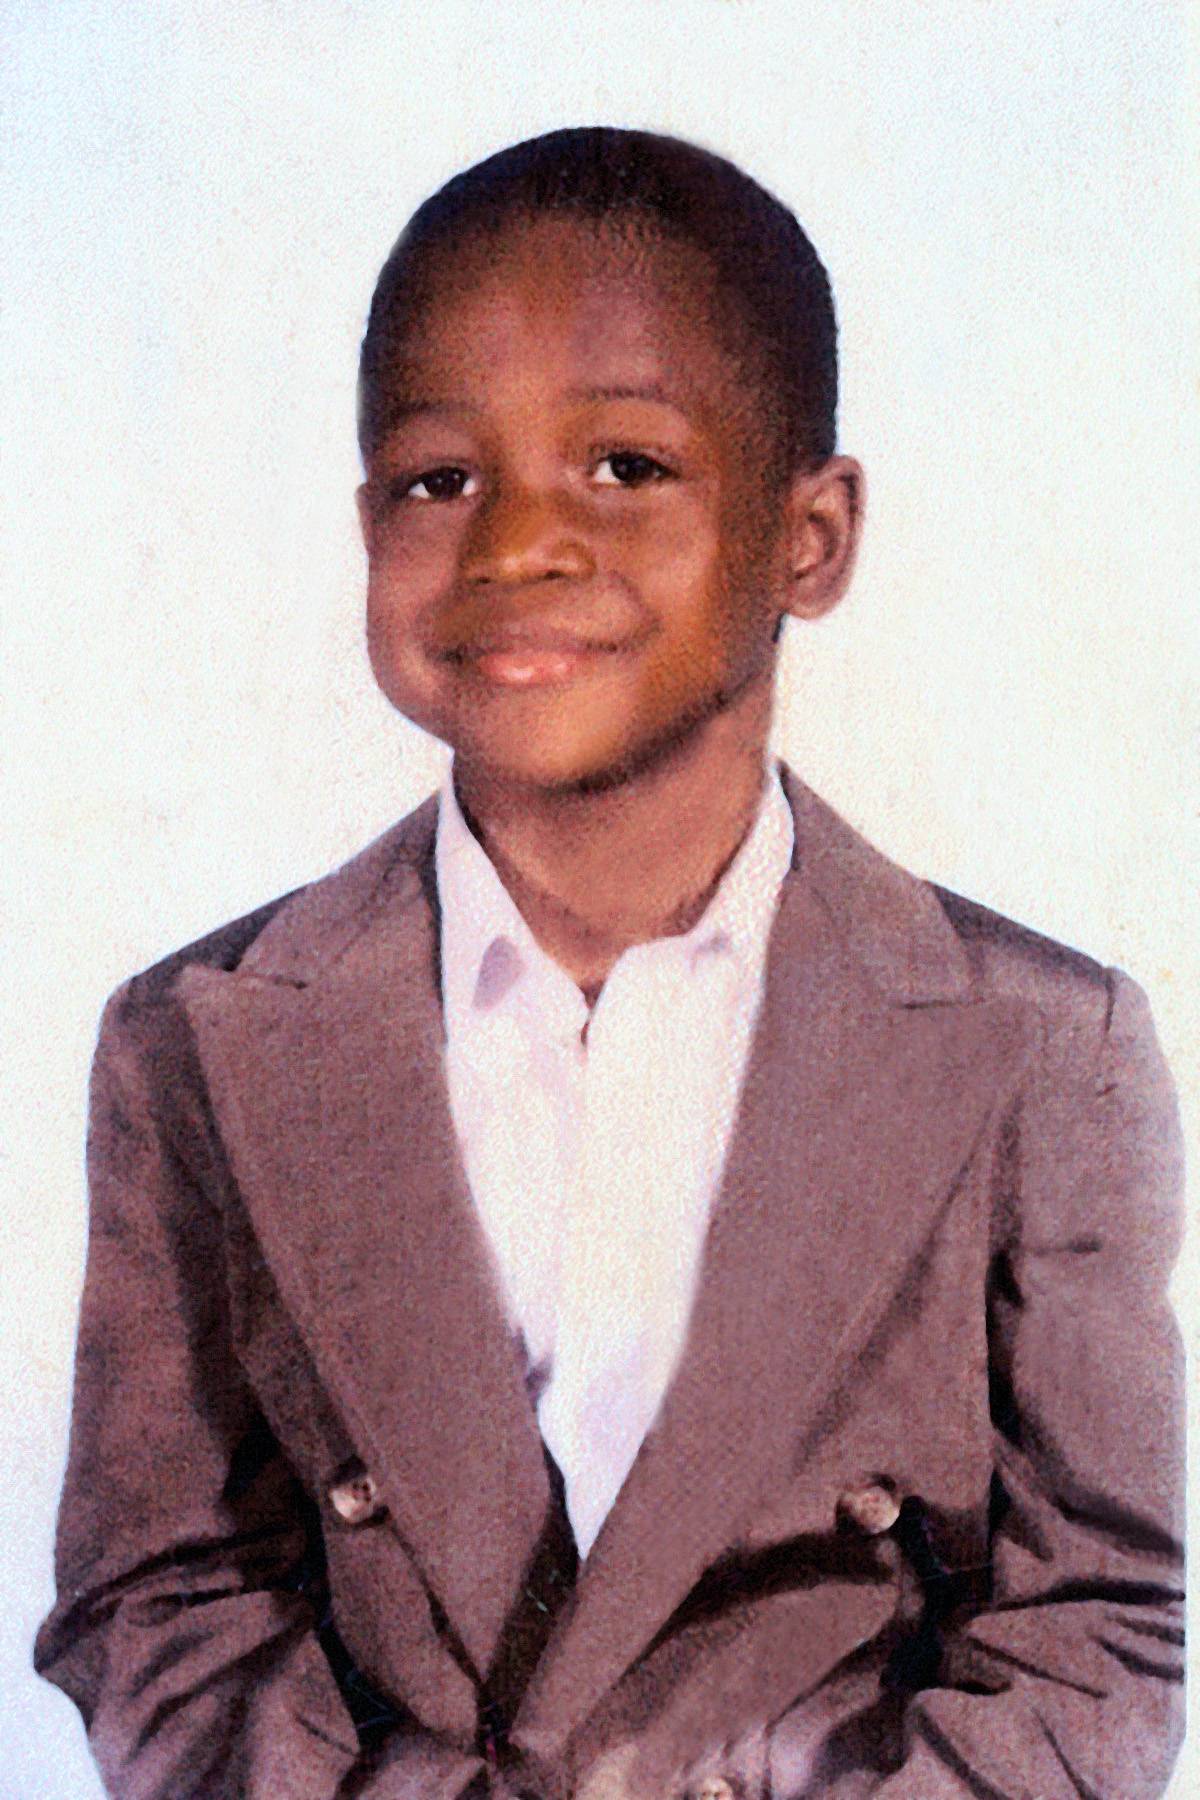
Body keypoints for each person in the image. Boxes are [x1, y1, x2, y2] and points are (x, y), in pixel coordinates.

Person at [35, 128, 1184, 1800]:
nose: (517, 544)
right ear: (364, 523)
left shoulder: (1041, 1044)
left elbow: (1095, 1631)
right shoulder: (199, 1039)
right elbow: (162, 1599)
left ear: (811, 538)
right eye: (440, 481)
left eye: (624, 467)